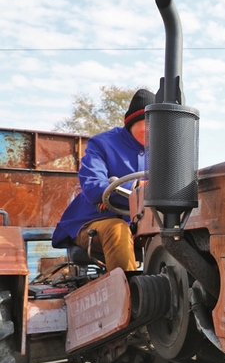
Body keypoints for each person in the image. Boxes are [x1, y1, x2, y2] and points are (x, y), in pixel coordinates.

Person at [52, 89, 156, 272]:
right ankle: (132, 296)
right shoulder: (102, 144)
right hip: (95, 222)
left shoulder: (162, 152)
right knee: (117, 229)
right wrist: (137, 187)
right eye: (149, 123)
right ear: (133, 122)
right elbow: (93, 186)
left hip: (142, 225)